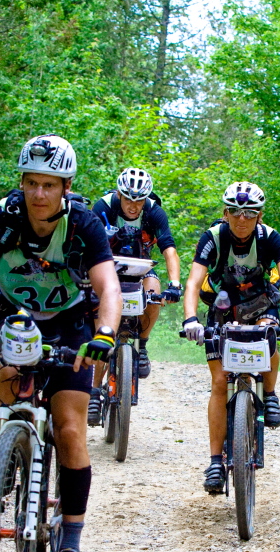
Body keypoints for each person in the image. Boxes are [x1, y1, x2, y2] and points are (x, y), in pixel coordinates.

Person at [0, 134, 121, 552]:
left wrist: (104, 334)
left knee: (70, 427)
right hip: (17, 320)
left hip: (71, 325)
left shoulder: (83, 223)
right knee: (7, 382)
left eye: (49, 185)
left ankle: (72, 540)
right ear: (22, 182)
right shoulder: (2, 216)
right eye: (31, 183)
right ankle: (12, 449)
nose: (39, 194)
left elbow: (109, 287)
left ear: (66, 186)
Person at [181, 182, 280, 494]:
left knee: (270, 333)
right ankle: (215, 461)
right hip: (222, 309)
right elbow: (194, 282)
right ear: (225, 213)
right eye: (235, 212)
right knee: (219, 382)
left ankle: (272, 394)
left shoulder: (272, 239)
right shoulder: (213, 238)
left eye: (249, 213)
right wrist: (190, 319)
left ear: (259, 216)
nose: (242, 219)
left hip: (260, 304)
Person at [87, 168, 182, 424]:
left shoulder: (154, 211)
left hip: (142, 270)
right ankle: (95, 391)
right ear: (119, 193)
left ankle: (143, 345)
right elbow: (86, 243)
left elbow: (169, 249)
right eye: (128, 199)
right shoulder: (104, 207)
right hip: (107, 269)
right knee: (103, 331)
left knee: (155, 293)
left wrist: (175, 283)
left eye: (139, 200)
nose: (133, 205)